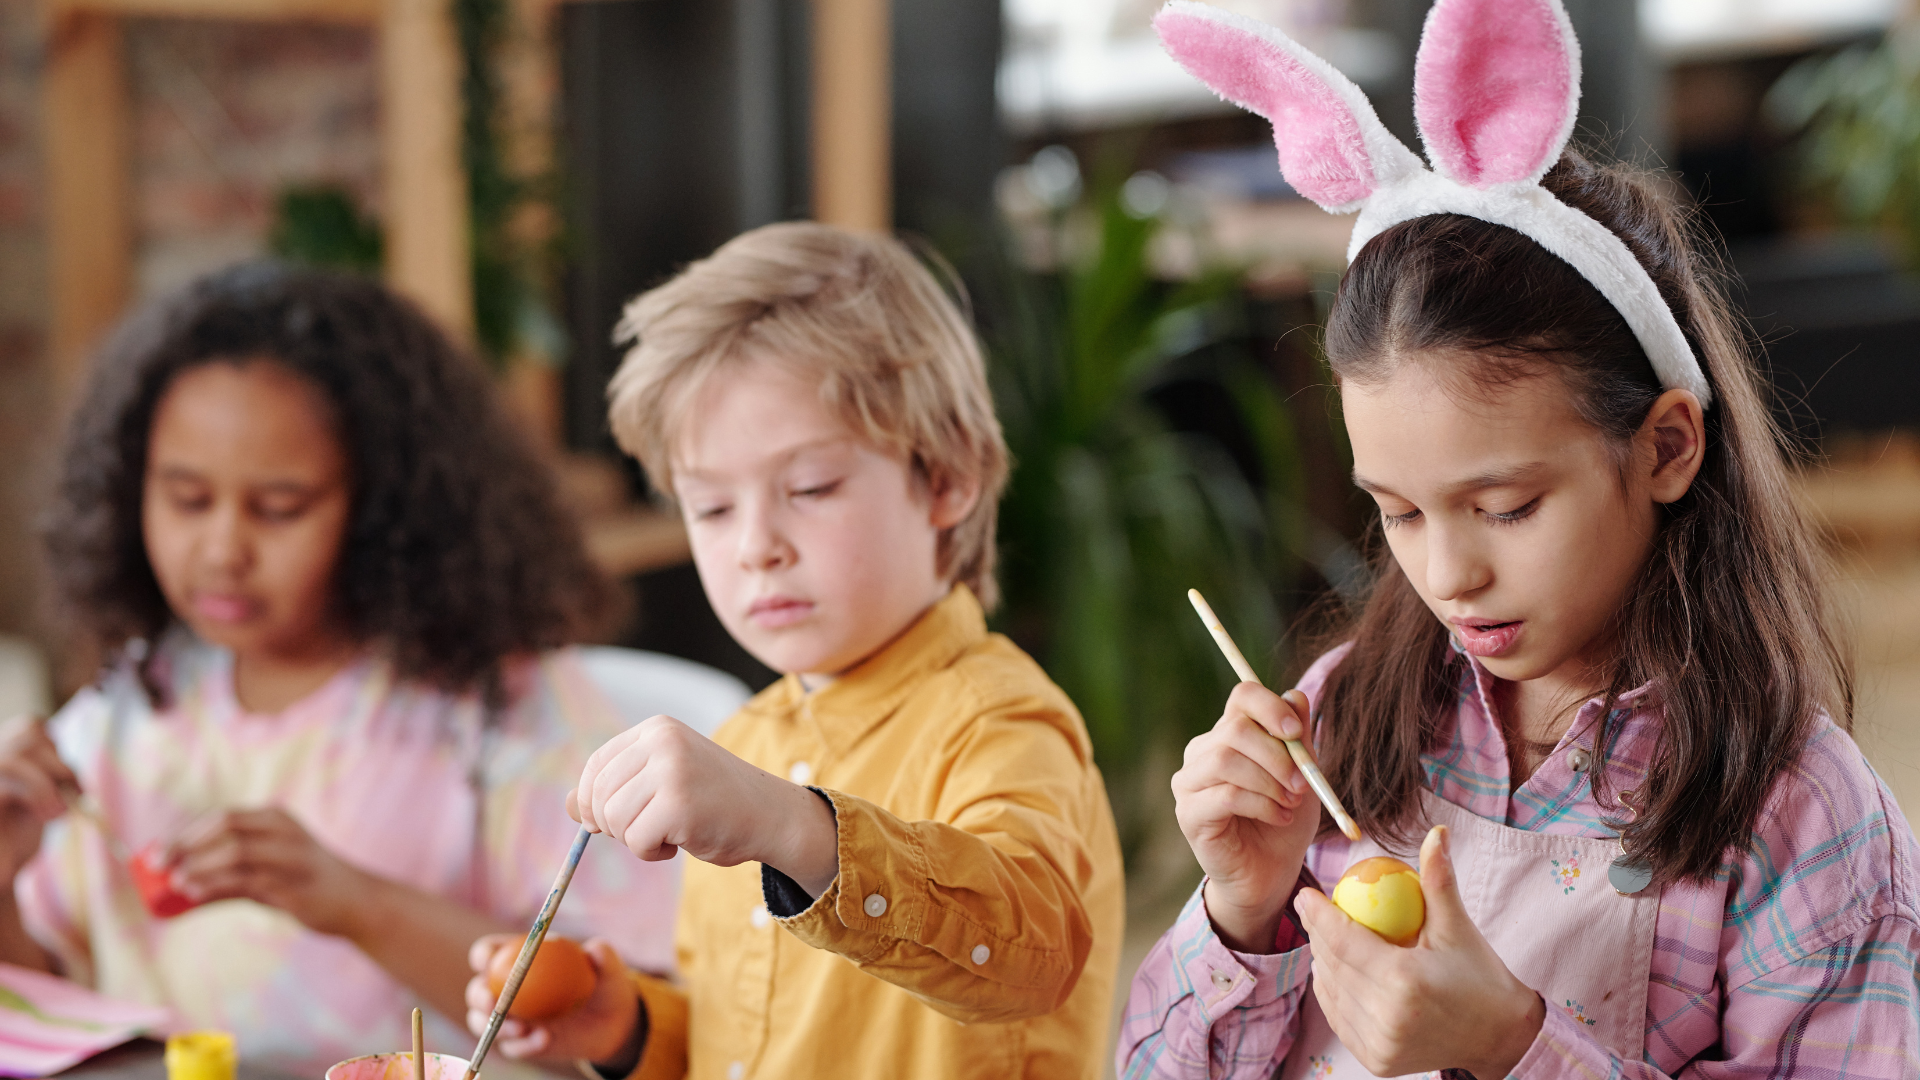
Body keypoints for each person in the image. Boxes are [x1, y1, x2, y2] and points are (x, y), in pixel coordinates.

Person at [1119, 2, 1920, 1078]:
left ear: (1667, 448)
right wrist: (1241, 910)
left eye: (1505, 508)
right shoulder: (1350, 718)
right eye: (1398, 513)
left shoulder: (1799, 814)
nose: (1449, 576)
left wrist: (1512, 1048)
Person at [461, 221, 1126, 1080]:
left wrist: (790, 825)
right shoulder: (749, 739)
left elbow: (1036, 955)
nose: (755, 546)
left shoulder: (1000, 718)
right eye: (710, 507)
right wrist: (626, 1028)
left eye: (809, 488)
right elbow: (738, 1039)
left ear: (947, 478)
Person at [3, 264, 683, 1077]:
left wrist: (360, 905)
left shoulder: (499, 713)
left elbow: (632, 1017)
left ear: (382, 507)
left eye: (280, 507)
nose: (222, 549)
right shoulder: (129, 708)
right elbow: (53, 1013)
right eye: (186, 499)